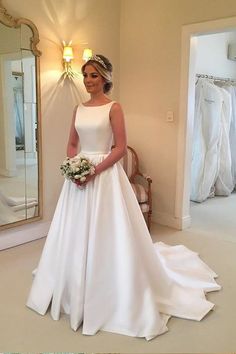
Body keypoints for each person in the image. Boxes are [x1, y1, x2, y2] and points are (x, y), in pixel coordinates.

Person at [27, 54, 221, 340]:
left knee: (109, 231)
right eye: (86, 75)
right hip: (78, 178)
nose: (89, 80)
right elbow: (71, 143)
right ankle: (71, 281)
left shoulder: (113, 108)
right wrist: (73, 167)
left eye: (94, 75)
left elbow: (120, 147)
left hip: (104, 176)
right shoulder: (78, 108)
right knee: (73, 231)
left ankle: (110, 284)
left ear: (105, 78)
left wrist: (93, 171)